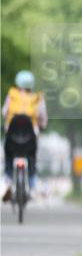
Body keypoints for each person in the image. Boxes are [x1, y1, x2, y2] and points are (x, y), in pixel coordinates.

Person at [2, 70, 47, 201]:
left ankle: (8, 180)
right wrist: (42, 125)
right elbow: (42, 117)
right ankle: (32, 184)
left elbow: (5, 112)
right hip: (30, 139)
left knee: (9, 157)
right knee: (32, 159)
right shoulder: (37, 98)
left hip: (12, 138)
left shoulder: (11, 95)